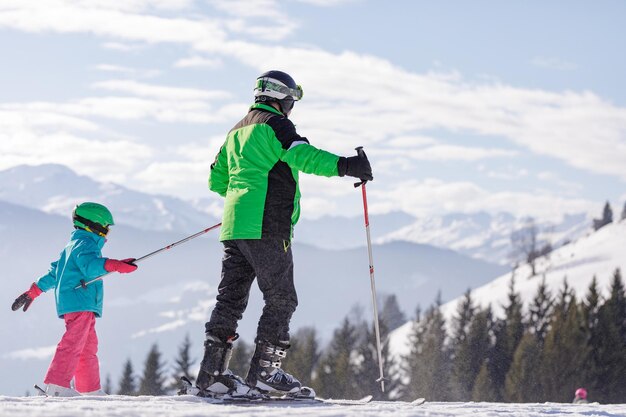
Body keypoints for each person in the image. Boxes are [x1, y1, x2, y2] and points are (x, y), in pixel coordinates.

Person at [194, 70, 373, 397]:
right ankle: (265, 373)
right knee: (281, 297)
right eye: (292, 100)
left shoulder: (236, 130)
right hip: (266, 225)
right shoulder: (277, 125)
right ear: (283, 98)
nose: (292, 107)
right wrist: (348, 166)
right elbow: (303, 156)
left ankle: (211, 374)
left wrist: (242, 198)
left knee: (230, 299)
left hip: (235, 226)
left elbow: (216, 180)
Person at [11, 202, 138, 397]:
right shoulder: (85, 244)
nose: (107, 233)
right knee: (73, 343)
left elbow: (55, 273)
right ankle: (57, 386)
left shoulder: (73, 245)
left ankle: (89, 390)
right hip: (80, 300)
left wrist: (34, 291)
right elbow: (90, 266)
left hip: (79, 301)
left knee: (87, 347)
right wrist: (115, 265)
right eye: (105, 228)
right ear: (94, 225)